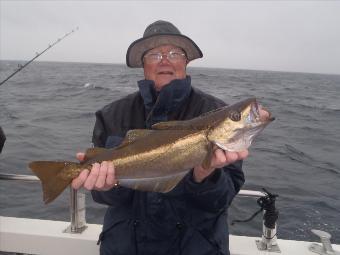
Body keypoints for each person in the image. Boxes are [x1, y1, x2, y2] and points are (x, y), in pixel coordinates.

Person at [72, 20, 253, 255]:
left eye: (174, 53)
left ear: (186, 62)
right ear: (143, 64)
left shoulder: (219, 115)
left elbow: (222, 200)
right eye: (154, 54)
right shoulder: (111, 115)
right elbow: (105, 196)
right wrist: (108, 185)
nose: (165, 60)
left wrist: (205, 178)